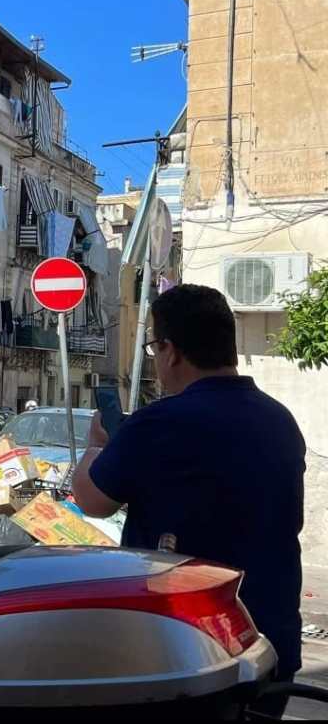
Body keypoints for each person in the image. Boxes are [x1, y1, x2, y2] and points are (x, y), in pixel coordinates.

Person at [71, 284, 305, 719]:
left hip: (187, 652)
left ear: (171, 351)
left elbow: (92, 500)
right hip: (271, 642)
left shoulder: (159, 423)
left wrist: (95, 447)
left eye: (154, 348)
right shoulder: (279, 419)